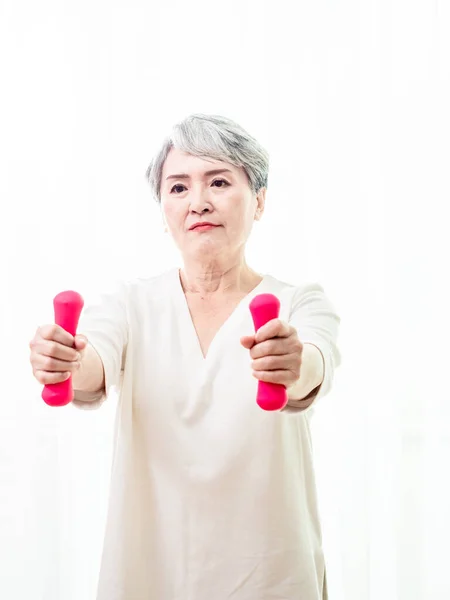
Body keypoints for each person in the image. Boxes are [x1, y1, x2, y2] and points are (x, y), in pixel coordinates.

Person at [29, 113, 341, 600]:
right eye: (178, 188)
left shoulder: (300, 302)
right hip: (152, 571)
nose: (198, 203)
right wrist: (66, 362)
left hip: (268, 573)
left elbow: (313, 365)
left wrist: (294, 364)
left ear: (258, 200)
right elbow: (94, 366)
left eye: (219, 181)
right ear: (163, 210)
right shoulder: (130, 304)